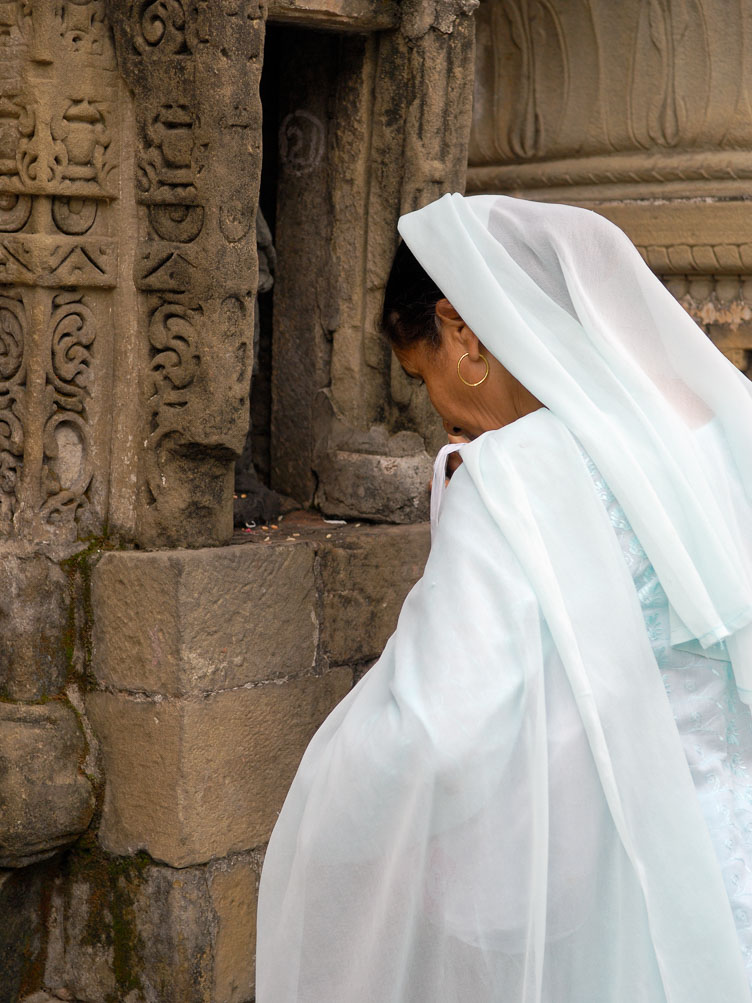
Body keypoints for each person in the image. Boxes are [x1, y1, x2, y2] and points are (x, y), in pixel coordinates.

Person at [255, 193, 752, 1002]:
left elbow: (436, 730)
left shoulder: (512, 478)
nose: (440, 412)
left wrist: (330, 813)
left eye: (424, 377)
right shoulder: (717, 428)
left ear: (463, 331)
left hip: (634, 911)